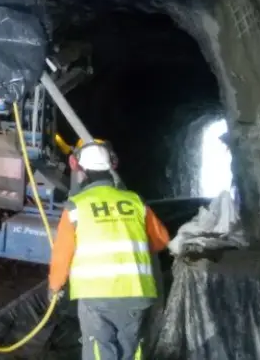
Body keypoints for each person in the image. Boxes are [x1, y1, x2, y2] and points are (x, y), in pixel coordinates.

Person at [48, 142, 170, 360]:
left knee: (100, 352)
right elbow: (161, 240)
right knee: (132, 352)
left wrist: (55, 287)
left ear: (81, 171)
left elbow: (62, 255)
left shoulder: (77, 207)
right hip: (136, 292)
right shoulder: (135, 202)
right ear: (110, 167)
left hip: (96, 296)